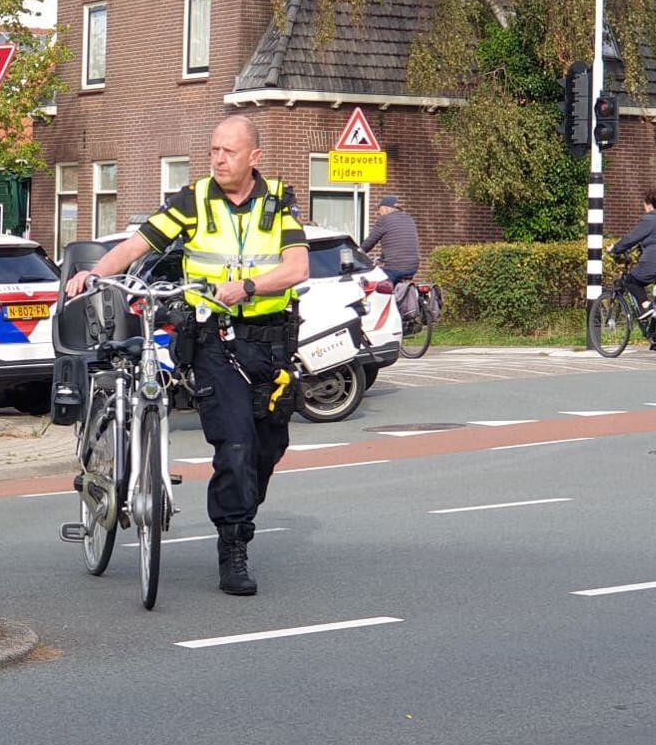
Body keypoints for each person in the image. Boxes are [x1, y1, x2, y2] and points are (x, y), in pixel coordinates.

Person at [65, 115, 309, 596]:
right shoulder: (193, 200)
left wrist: (248, 286)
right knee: (235, 443)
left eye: (229, 151)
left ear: (254, 157)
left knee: (266, 446)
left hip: (270, 341)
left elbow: (297, 266)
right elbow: (139, 243)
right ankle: (233, 544)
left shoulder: (279, 200)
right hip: (213, 338)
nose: (218, 158)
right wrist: (94, 273)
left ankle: (241, 514)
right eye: (214, 149)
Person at [608, 189, 656, 348]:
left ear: (650, 205)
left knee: (632, 282)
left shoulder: (651, 219)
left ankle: (644, 306)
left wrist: (615, 249)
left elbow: (632, 238)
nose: (644, 208)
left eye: (644, 205)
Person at [363, 195, 421, 284]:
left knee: (375, 286)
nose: (379, 213)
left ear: (386, 208)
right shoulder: (409, 219)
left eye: (380, 209)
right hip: (413, 267)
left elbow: (370, 241)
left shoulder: (384, 220)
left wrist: (358, 254)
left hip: (395, 268)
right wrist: (382, 258)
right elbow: (396, 242)